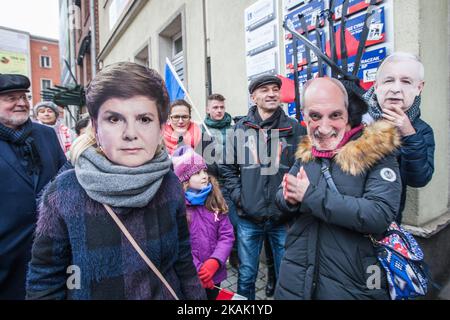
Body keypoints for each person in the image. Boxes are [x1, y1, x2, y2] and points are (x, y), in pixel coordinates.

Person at [26, 62, 206, 300]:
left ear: (161, 127)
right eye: (114, 119)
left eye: (144, 119)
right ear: (95, 126)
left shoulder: (170, 182)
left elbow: (182, 260)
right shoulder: (65, 192)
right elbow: (45, 281)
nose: (130, 133)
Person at [274, 77, 402, 300]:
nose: (324, 128)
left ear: (350, 115)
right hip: (296, 274)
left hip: (353, 281)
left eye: (335, 115)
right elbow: (281, 197)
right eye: (315, 116)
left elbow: (379, 214)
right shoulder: (307, 151)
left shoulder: (376, 153)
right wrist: (289, 198)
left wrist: (310, 196)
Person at [220, 74, 305, 300]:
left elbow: (305, 166)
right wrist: (242, 198)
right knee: (247, 275)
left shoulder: (294, 128)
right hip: (249, 218)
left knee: (286, 274)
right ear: (253, 97)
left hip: (282, 218)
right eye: (264, 90)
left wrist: (291, 199)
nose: (271, 94)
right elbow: (227, 168)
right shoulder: (239, 129)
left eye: (275, 89)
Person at [0, 74, 66, 299]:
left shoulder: (46, 134)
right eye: (10, 97)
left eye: (24, 97)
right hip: (6, 257)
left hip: (50, 252)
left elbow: (64, 179)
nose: (21, 103)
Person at [363, 52, 434, 223]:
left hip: (386, 224)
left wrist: (408, 134)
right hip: (344, 219)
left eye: (406, 81)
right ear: (377, 85)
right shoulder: (354, 117)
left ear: (419, 88)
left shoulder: (421, 130)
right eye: (388, 80)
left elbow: (419, 179)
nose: (396, 89)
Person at [172, 145, 234, 300]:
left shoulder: (215, 200)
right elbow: (179, 244)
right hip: (190, 277)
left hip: (215, 274)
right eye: (197, 173)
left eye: (205, 171)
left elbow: (227, 235)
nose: (204, 176)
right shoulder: (178, 207)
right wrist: (199, 269)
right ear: (185, 179)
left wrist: (215, 261)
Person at [201, 94, 239, 269]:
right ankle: (217, 258)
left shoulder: (234, 129)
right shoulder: (201, 130)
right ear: (208, 109)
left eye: (221, 107)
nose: (219, 110)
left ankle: (235, 255)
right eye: (215, 107)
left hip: (233, 181)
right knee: (217, 223)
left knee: (236, 223)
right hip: (214, 184)